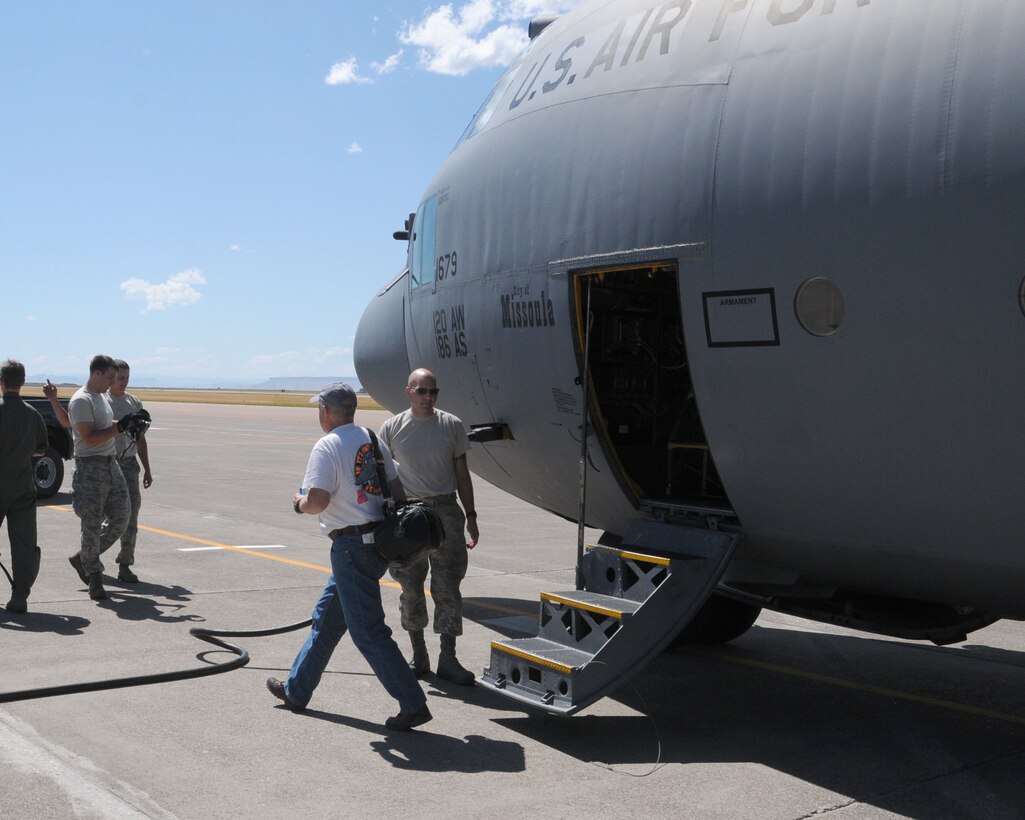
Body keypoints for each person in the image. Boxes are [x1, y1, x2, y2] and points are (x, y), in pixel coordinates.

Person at [266, 382, 432, 731]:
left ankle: (412, 702)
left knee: (368, 633)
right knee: (326, 621)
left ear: (326, 412)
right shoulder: (370, 437)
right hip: (376, 546)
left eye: (320, 410)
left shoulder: (327, 445)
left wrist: (299, 504)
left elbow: (318, 501)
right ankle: (297, 691)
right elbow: (396, 486)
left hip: (350, 548)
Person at [379, 368, 480, 686]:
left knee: (448, 588)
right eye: (422, 391)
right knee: (410, 589)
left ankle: (448, 659)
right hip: (408, 517)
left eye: (433, 392)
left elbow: (462, 473)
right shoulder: (392, 427)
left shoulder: (451, 425)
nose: (428, 397)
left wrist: (472, 516)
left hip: (445, 513)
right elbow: (381, 476)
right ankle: (418, 655)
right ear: (408, 392)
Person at [66, 355, 130, 601]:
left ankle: (83, 557)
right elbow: (89, 437)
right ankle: (94, 577)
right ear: (97, 374)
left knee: (122, 518)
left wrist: (128, 422)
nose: (113, 383)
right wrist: (119, 428)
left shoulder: (101, 397)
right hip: (90, 467)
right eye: (110, 378)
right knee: (91, 524)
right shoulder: (81, 400)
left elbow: (105, 425)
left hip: (110, 462)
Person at [0, 360, 49, 613]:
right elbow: (41, 449)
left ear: (1, 382)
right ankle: (19, 597)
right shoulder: (32, 414)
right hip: (23, 486)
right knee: (23, 544)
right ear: (22, 382)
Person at [105, 360, 153, 583]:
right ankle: (89, 559)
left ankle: (125, 563)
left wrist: (147, 469)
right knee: (106, 517)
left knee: (132, 515)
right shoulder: (101, 401)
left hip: (129, 464)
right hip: (105, 464)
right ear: (111, 377)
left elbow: (140, 439)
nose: (124, 382)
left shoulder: (134, 402)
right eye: (120, 377)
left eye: (127, 377)